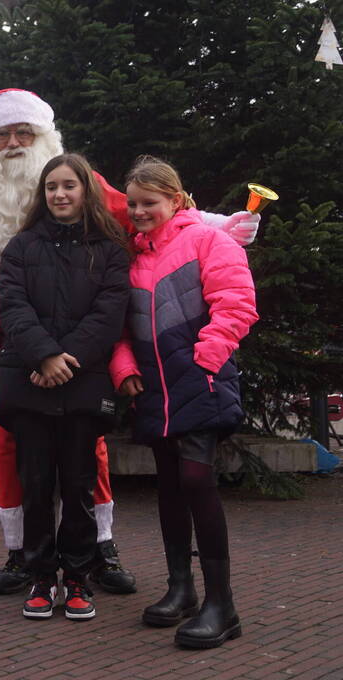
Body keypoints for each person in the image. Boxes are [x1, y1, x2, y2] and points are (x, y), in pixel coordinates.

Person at [0, 88, 260, 596]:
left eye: (25, 132)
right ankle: (21, 552)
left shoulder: (84, 185)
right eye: (4, 134)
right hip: (10, 348)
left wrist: (222, 224)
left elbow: (146, 212)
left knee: (90, 450)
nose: (15, 143)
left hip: (83, 345)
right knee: (5, 446)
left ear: (43, 137)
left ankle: (99, 548)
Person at [111, 156, 257, 648]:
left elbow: (236, 303)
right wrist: (124, 368)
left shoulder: (208, 240)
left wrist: (206, 360)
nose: (139, 211)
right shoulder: (130, 258)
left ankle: (223, 604)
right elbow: (121, 328)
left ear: (175, 200)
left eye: (148, 202)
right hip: (153, 389)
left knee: (196, 479)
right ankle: (182, 590)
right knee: (170, 486)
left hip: (199, 381)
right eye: (132, 204)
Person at [0, 153, 130, 620]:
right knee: (35, 486)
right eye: (51, 186)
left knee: (78, 486)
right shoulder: (21, 247)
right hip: (31, 385)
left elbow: (108, 315)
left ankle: (76, 578)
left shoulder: (109, 249)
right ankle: (39, 577)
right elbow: (11, 307)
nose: (60, 194)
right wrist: (43, 355)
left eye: (69, 185)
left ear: (85, 190)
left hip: (81, 386)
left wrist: (61, 360)